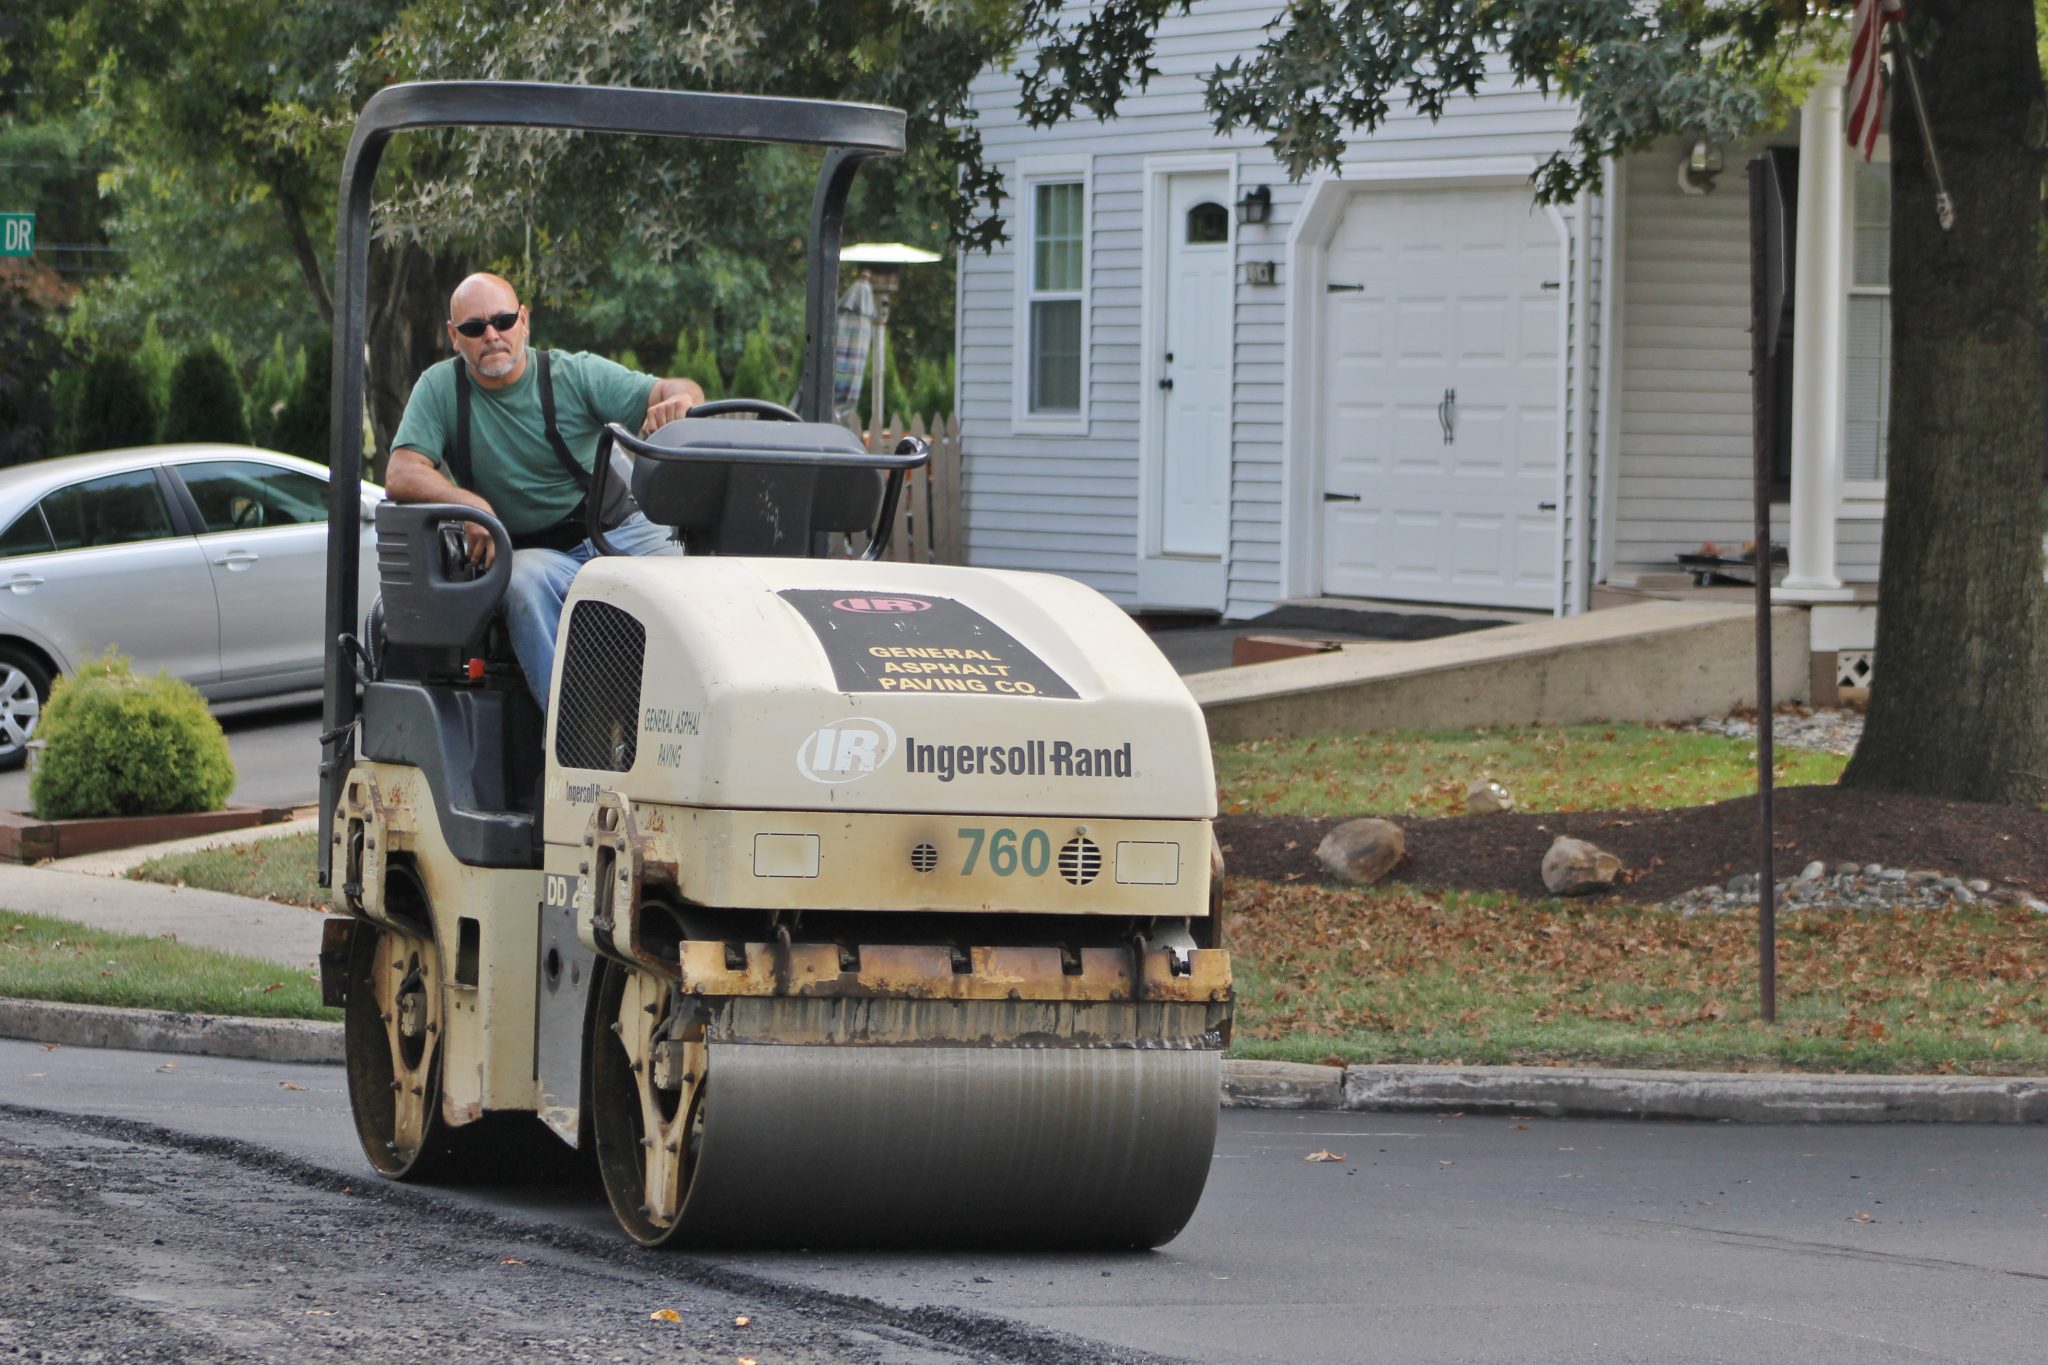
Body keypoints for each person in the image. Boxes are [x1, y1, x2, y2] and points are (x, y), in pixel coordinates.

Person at [386, 273, 705, 706]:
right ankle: (573, 735)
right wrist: (471, 506)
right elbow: (401, 470)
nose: (492, 335)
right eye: (475, 328)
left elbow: (673, 388)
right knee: (519, 587)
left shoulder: (572, 375)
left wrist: (681, 402)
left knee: (700, 584)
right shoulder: (440, 389)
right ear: (453, 337)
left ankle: (698, 714)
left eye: (502, 320)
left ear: (524, 321)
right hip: (536, 555)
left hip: (616, 530)